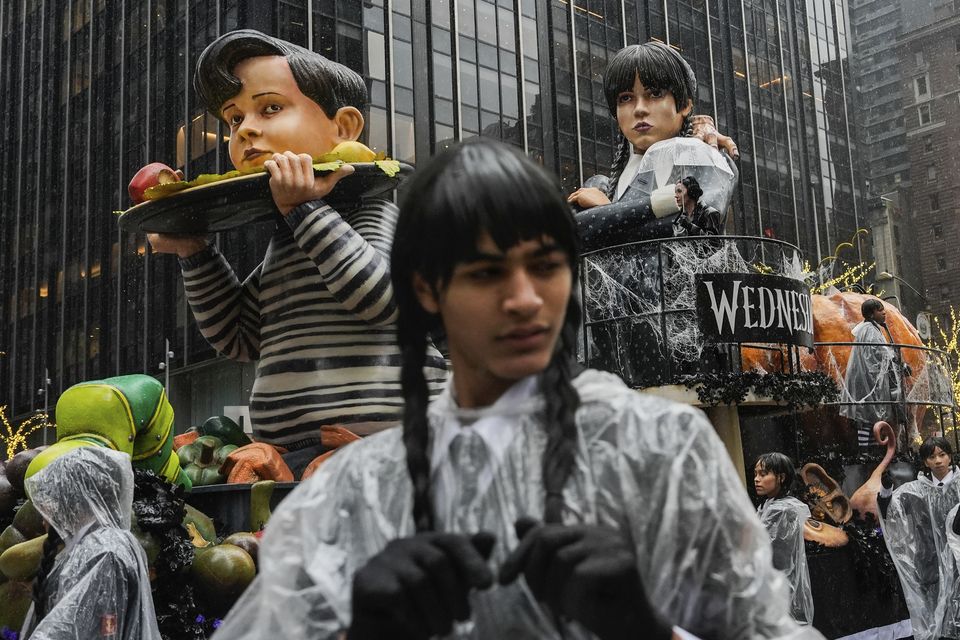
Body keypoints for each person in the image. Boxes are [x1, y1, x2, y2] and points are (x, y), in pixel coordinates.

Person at [212, 139, 822, 640]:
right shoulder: (356, 490)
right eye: (486, 272)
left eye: (547, 265)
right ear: (427, 290)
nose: (526, 298)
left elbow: (771, 630)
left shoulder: (661, 448)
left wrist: (651, 631)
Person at [147, 30, 446, 462]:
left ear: (343, 127)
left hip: (392, 450)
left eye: (270, 108)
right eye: (234, 119)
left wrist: (306, 212)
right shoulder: (290, 237)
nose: (247, 129)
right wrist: (196, 252)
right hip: (290, 457)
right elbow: (239, 337)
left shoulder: (375, 216)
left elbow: (384, 299)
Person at [569, 42, 737, 252]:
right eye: (626, 98)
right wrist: (661, 206)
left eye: (655, 94)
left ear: (685, 105)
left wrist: (605, 211)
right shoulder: (601, 185)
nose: (639, 109)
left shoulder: (702, 155)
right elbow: (574, 233)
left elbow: (696, 235)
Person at [20, 447, 160, 640]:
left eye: (52, 500)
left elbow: (74, 629)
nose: (44, 513)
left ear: (75, 500)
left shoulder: (103, 551)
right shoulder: (99, 545)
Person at [877, 436, 960, 640]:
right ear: (925, 462)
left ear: (950, 457)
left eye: (942, 455)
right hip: (929, 561)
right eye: (932, 457)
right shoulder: (916, 490)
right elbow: (891, 513)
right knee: (935, 618)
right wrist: (886, 489)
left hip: (958, 561)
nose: (938, 461)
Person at [754, 453, 814, 626]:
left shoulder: (781, 510)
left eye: (763, 474)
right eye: (755, 474)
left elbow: (773, 557)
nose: (757, 479)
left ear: (781, 477)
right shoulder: (768, 505)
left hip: (778, 589)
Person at [840, 298, 908, 450]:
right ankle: (867, 451)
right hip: (867, 381)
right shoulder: (870, 330)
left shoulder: (869, 328)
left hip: (868, 379)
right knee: (868, 416)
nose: (884, 312)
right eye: (879, 310)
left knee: (869, 417)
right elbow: (877, 352)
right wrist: (895, 359)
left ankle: (869, 450)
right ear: (871, 314)